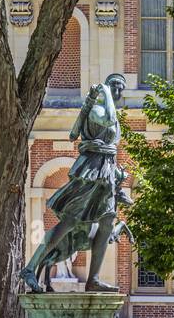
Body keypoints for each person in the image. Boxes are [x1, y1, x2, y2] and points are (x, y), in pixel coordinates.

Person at [20, 73, 129, 294]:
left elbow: (110, 143)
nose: (117, 92)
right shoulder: (99, 110)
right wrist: (104, 93)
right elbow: (108, 119)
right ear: (106, 90)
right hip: (90, 171)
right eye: (114, 88)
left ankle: (93, 279)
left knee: (107, 223)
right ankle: (30, 268)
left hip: (105, 172)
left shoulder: (110, 113)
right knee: (68, 222)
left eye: (120, 89)